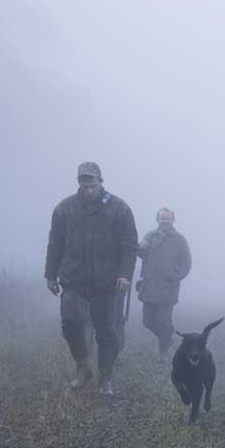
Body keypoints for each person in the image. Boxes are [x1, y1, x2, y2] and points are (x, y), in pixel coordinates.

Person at [44, 162, 138, 395]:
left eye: (92, 186)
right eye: (84, 185)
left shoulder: (119, 209)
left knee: (105, 330)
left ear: (101, 182)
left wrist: (125, 275)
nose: (88, 190)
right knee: (70, 323)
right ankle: (83, 366)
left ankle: (105, 377)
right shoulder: (64, 209)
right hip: (73, 278)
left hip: (106, 281)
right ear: (79, 183)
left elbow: (129, 245)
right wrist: (50, 274)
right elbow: (55, 243)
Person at [137, 207, 192, 359]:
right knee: (147, 321)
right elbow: (141, 254)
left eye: (168, 218)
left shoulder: (179, 240)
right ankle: (168, 338)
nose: (165, 221)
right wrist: (140, 247)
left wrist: (175, 277)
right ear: (157, 220)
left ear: (173, 220)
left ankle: (163, 351)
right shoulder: (150, 236)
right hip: (149, 287)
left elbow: (187, 263)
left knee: (164, 322)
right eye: (162, 218)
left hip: (168, 288)